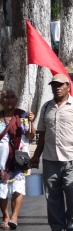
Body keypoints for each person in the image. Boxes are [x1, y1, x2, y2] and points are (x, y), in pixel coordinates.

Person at [31, 74, 73, 231]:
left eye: (60, 85)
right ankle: (58, 227)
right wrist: (36, 156)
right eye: (54, 85)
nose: (57, 88)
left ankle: (72, 219)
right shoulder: (46, 107)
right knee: (52, 196)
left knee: (72, 189)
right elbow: (42, 134)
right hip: (50, 159)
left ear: (68, 87)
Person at [0, 90, 35, 230]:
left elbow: (31, 136)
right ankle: (5, 216)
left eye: (12, 97)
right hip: (1, 159)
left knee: (17, 188)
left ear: (17, 99)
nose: (9, 100)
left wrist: (31, 122)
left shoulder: (22, 115)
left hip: (19, 159)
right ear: (1, 100)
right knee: (2, 188)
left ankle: (14, 216)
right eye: (6, 97)